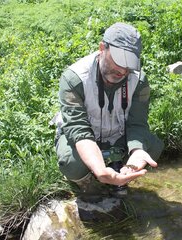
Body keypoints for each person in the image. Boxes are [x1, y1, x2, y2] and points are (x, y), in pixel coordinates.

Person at [54, 22, 164, 201]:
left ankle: (119, 165)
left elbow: (137, 124)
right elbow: (78, 131)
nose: (122, 71)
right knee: (71, 164)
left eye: (128, 65)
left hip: (116, 133)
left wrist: (137, 151)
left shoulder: (139, 81)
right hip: (84, 137)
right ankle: (90, 180)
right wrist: (99, 170)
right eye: (119, 61)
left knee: (153, 147)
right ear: (102, 48)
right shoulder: (73, 79)